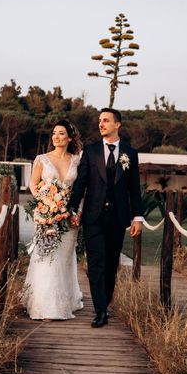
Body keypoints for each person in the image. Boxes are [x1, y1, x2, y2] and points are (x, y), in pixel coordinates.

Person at [68, 108, 143, 328]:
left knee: (111, 264)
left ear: (117, 124)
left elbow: (134, 189)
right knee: (96, 264)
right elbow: (80, 183)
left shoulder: (130, 153)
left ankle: (106, 302)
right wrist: (73, 209)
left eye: (106, 121)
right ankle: (100, 311)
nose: (101, 124)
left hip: (118, 218)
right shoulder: (90, 152)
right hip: (93, 217)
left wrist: (137, 217)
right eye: (100, 121)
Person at [22, 119, 84, 320]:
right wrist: (46, 203)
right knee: (47, 257)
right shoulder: (42, 159)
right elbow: (33, 184)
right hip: (46, 215)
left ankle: (65, 300)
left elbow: (81, 190)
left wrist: (78, 212)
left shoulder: (77, 160)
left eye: (61, 133)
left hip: (69, 217)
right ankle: (45, 306)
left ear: (70, 137)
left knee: (64, 259)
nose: (56, 137)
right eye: (54, 133)